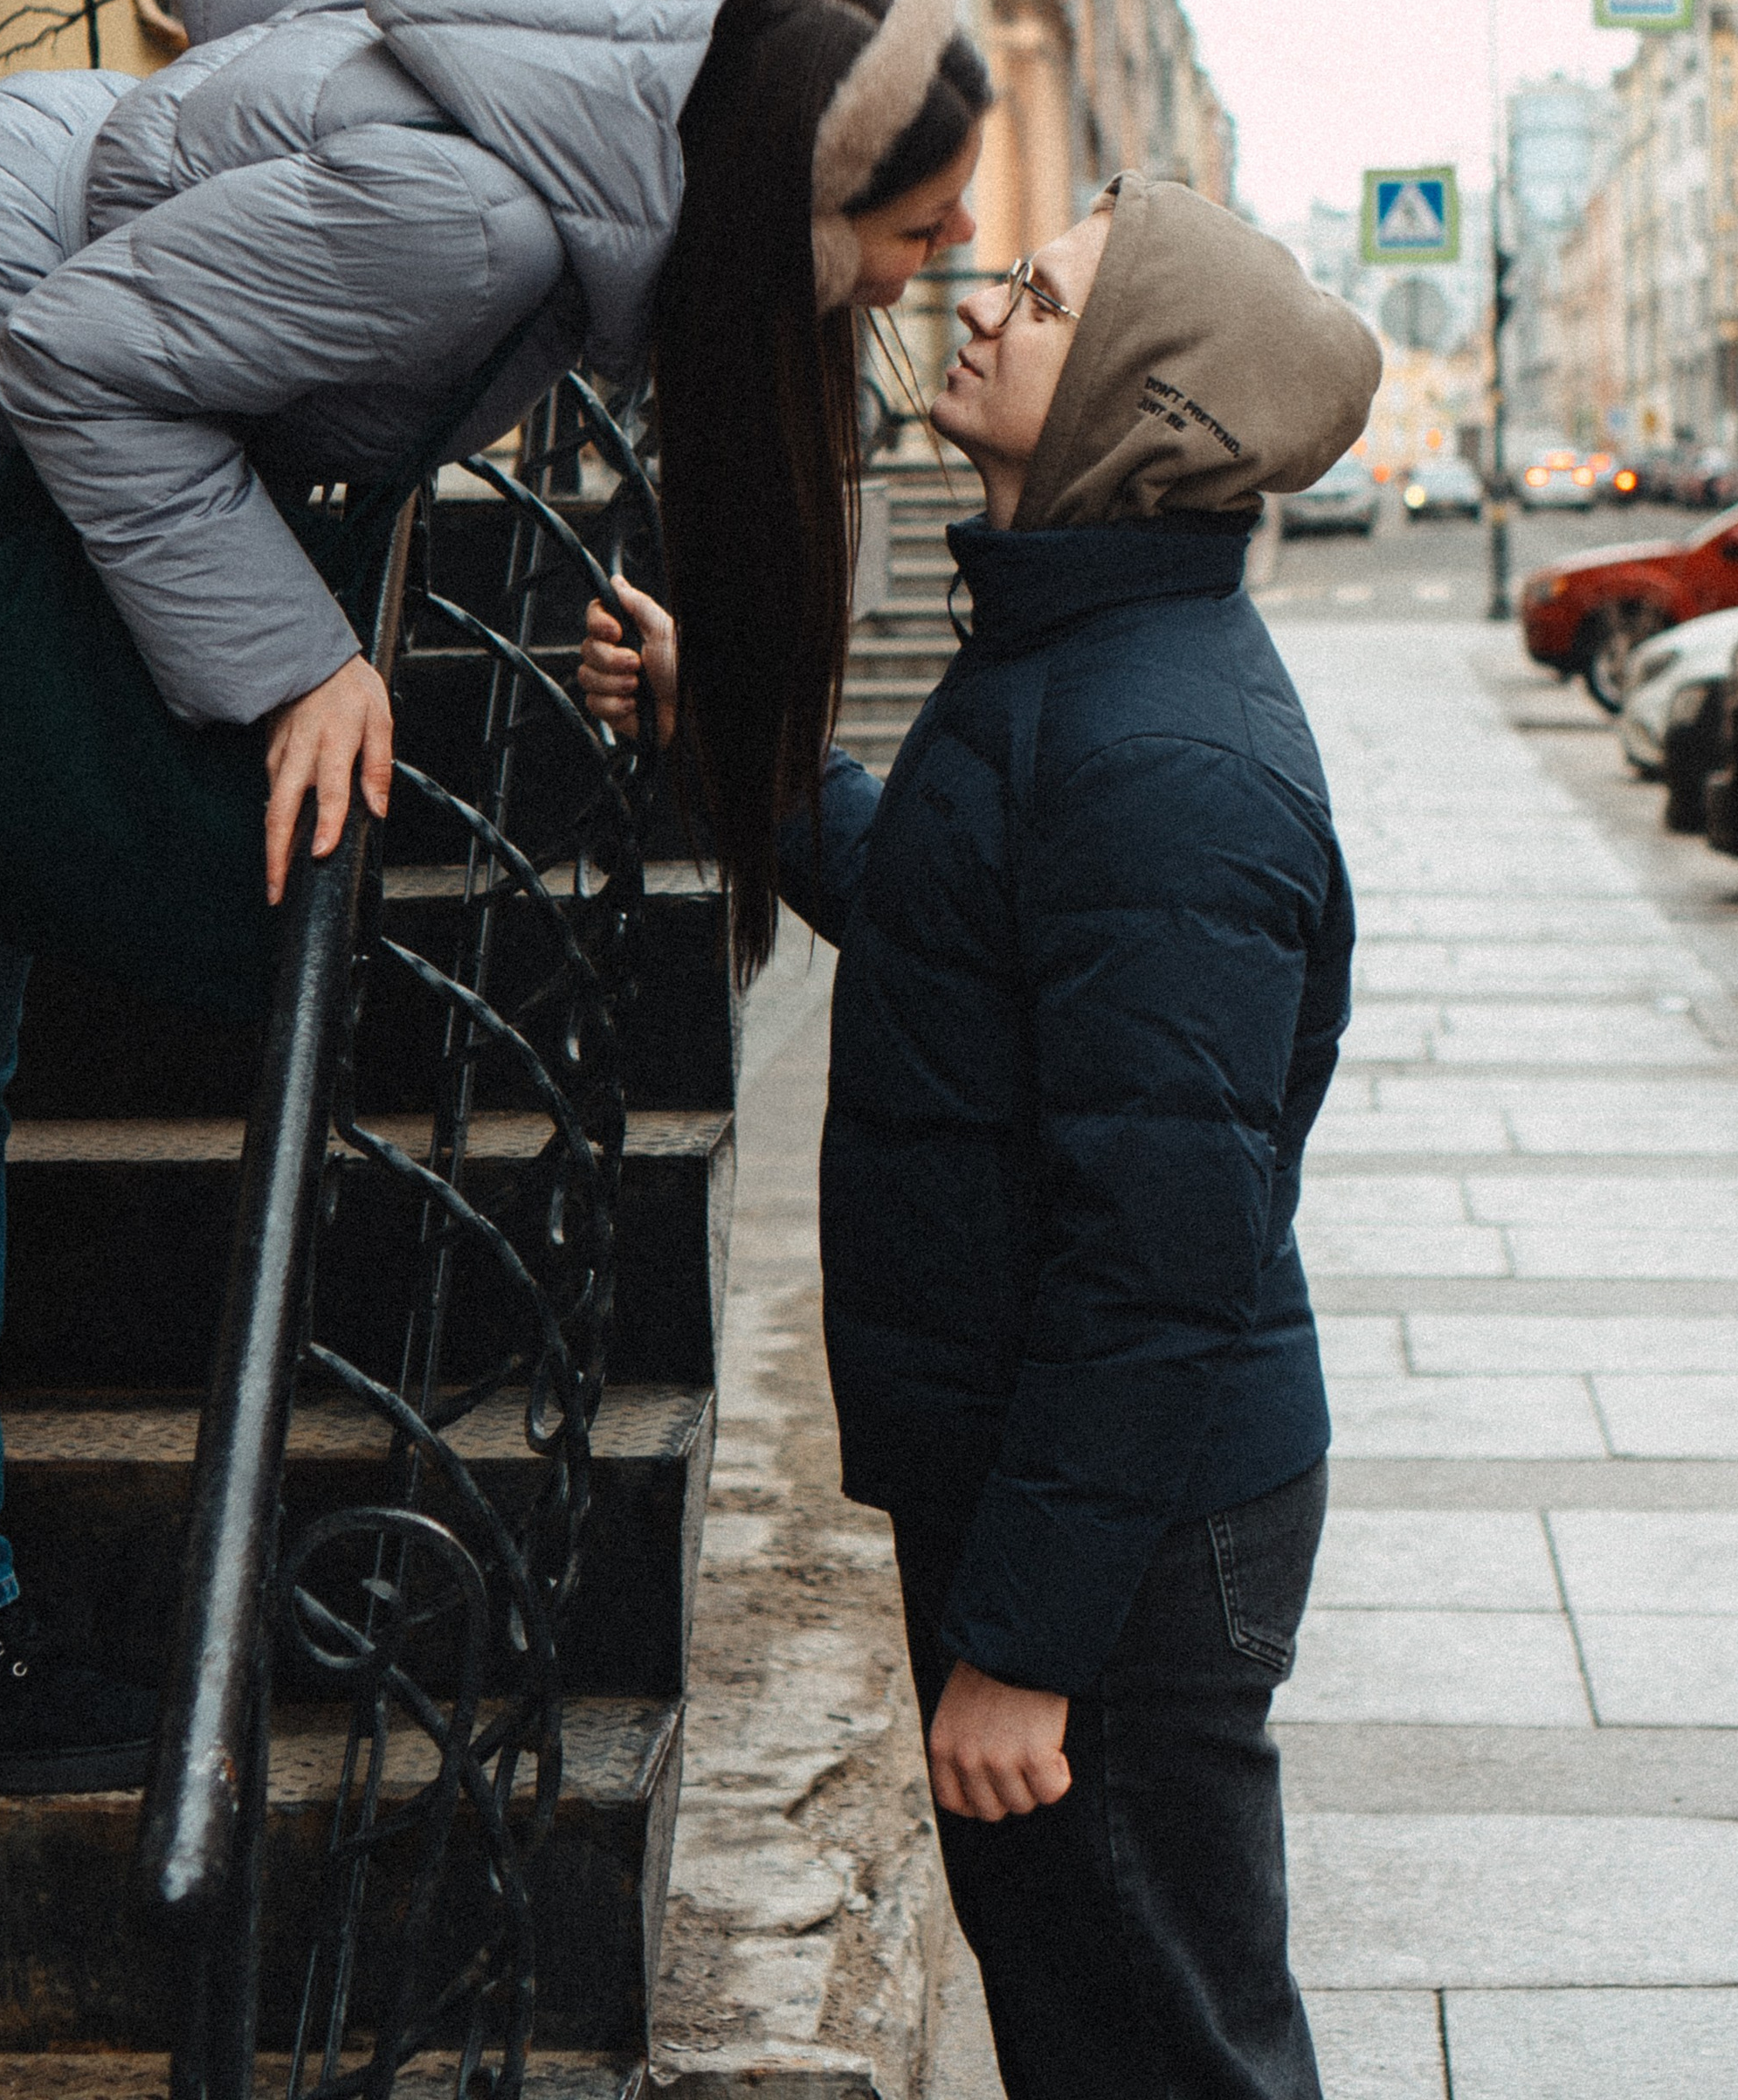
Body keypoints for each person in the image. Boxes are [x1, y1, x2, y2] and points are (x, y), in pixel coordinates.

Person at [0, 0, 989, 1793]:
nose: (946, 257)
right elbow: (81, 356)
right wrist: (296, 665)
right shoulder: (484, 219)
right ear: (792, 196)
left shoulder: (619, 50)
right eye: (916, 228)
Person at [584, 173, 1379, 2100]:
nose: (981, 305)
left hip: (1121, 1535)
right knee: (1092, 2022)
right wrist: (736, 720)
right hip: (1064, 1489)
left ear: (1132, 401)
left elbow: (1161, 1247)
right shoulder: (1065, 667)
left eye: (1038, 298)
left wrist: (1025, 1646)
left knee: (1155, 2049)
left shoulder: (1158, 756)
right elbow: (948, 908)